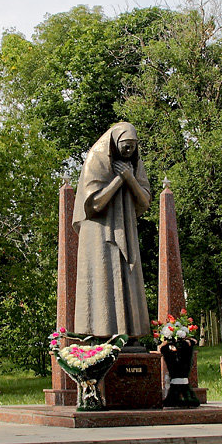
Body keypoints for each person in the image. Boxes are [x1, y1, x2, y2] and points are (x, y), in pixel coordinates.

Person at [72, 122, 152, 341]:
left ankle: (130, 334)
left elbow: (145, 200)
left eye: (133, 146)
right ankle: (100, 333)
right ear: (115, 142)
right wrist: (119, 180)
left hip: (125, 228)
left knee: (128, 273)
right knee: (102, 276)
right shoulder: (96, 158)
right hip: (98, 231)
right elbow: (94, 204)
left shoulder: (133, 162)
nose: (129, 151)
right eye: (126, 146)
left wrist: (130, 178)